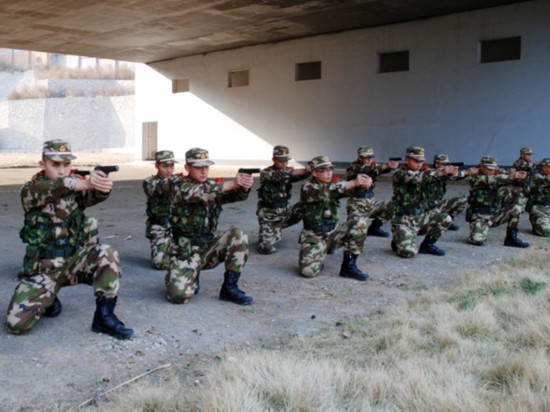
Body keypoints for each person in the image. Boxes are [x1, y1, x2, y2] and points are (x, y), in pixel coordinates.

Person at [6, 139, 133, 339]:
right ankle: (49, 297)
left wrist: (102, 186)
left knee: (107, 253)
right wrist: (80, 182)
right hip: (43, 271)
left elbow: (94, 195)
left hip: (73, 264)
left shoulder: (75, 191)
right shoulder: (31, 190)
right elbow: (59, 186)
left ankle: (104, 317)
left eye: (66, 165)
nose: (62, 170)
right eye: (55, 165)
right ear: (42, 165)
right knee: (16, 324)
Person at [165, 147, 254, 305]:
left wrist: (244, 187)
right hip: (185, 251)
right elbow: (199, 192)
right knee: (178, 296)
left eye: (206, 167)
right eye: (198, 167)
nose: (203, 171)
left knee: (238, 235)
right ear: (187, 168)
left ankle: (229, 288)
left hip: (208, 248)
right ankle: (189, 275)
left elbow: (232, 195)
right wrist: (231, 183)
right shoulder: (178, 184)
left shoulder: (212, 186)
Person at [299, 155, 373, 281]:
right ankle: (319, 254)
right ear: (314, 173)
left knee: (359, 224)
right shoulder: (308, 187)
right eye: (324, 170)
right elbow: (330, 190)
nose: (329, 173)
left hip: (333, 234)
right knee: (308, 272)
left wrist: (365, 185)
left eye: (330, 169)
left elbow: (349, 191)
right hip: (314, 237)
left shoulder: (334, 184)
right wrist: (353, 182)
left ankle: (348, 267)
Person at [391, 146, 453, 258]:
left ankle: (427, 245)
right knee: (408, 253)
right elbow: (419, 178)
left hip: (420, 217)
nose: (419, 164)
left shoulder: (426, 172)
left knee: (445, 218)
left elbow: (432, 175)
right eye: (416, 161)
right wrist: (441, 173)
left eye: (421, 161)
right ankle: (398, 239)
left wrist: (450, 173)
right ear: (407, 160)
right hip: (405, 220)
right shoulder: (400, 174)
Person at [256, 145, 311, 254]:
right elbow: (282, 175)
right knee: (266, 249)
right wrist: (304, 170)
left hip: (285, 214)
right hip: (270, 217)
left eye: (286, 161)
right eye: (281, 161)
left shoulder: (286, 172)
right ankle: (271, 232)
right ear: (273, 159)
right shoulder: (266, 173)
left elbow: (299, 176)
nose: (284, 164)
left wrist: (310, 170)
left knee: (306, 206)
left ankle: (311, 237)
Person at [466, 155, 530, 247]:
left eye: (493, 169)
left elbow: (520, 186)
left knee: (516, 208)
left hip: (494, 215)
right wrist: (512, 176)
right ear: (482, 167)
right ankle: (480, 229)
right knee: (477, 240)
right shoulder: (475, 177)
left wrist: (520, 177)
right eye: (489, 169)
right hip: (480, 215)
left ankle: (511, 238)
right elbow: (493, 180)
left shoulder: (496, 175)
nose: (492, 171)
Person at [345, 146, 399, 238]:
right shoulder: (353, 167)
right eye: (367, 157)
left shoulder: (372, 167)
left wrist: (389, 167)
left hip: (370, 203)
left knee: (393, 206)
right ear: (360, 157)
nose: (370, 159)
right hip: (357, 205)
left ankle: (375, 227)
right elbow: (367, 169)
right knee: (353, 230)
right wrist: (386, 165)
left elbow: (377, 169)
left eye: (371, 157)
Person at [143, 150, 179, 270]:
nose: (169, 170)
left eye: (171, 166)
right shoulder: (149, 182)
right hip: (160, 227)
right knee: (160, 263)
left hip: (179, 227)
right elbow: (164, 186)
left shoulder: (179, 181)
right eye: (165, 166)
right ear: (157, 166)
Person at [423, 154, 478, 231]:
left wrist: (467, 172)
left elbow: (454, 176)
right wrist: (465, 172)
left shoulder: (443, 174)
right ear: (436, 164)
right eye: (443, 164)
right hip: (426, 207)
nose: (446, 166)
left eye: (447, 164)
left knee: (463, 200)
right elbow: (437, 174)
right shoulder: (429, 172)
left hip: (437, 205)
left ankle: (447, 221)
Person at [526, 157, 550, 237]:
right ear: (543, 167)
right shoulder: (536, 176)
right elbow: (546, 180)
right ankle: (537, 226)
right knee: (546, 231)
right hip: (539, 210)